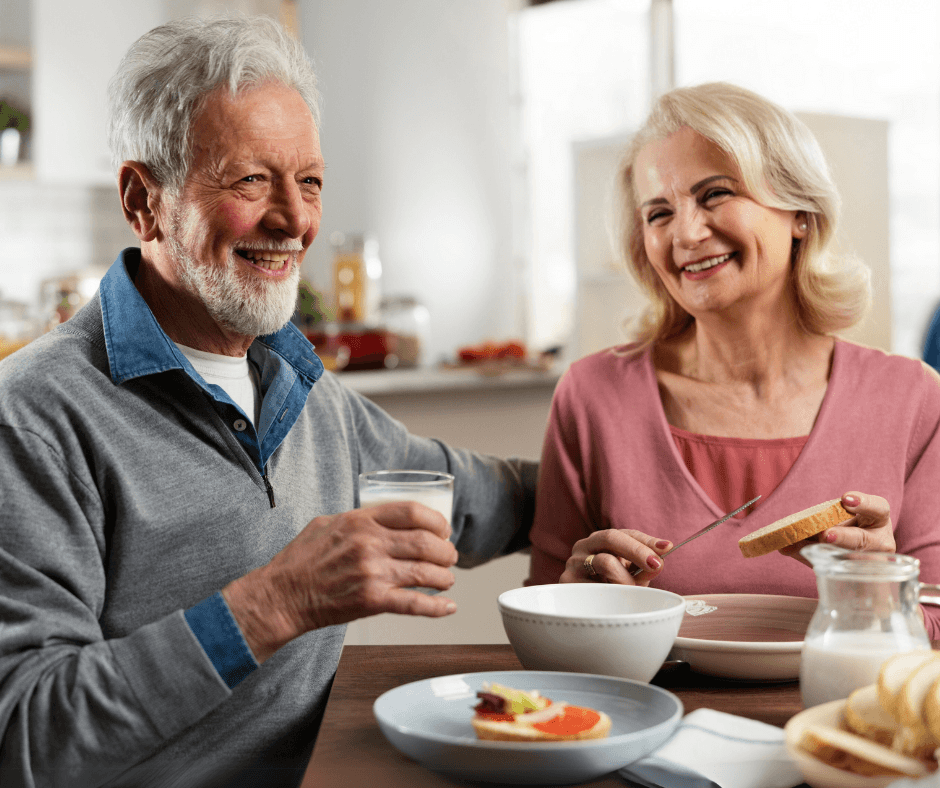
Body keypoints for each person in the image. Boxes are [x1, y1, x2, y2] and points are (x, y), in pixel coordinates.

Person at [0, 15, 536, 788]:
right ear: (143, 199)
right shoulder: (34, 419)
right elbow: (25, 739)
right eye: (251, 180)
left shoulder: (299, 386)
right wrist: (274, 604)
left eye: (309, 181)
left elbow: (470, 497)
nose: (294, 219)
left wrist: (606, 473)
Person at [526, 82, 940, 639]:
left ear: (799, 211)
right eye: (658, 214)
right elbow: (541, 620)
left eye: (715, 194)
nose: (686, 234)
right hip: (648, 719)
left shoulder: (913, 399)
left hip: (835, 723)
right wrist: (574, 603)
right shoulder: (592, 395)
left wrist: (877, 595)